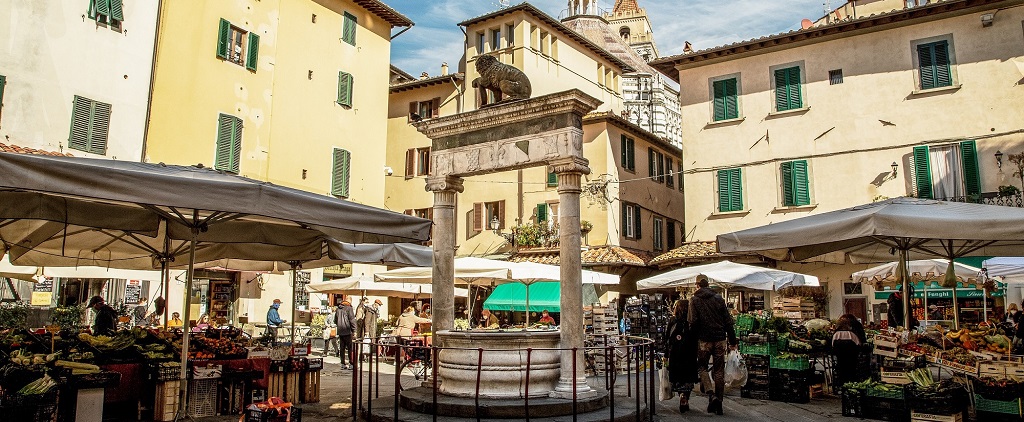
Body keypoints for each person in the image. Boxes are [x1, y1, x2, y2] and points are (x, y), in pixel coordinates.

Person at [689, 275, 737, 416]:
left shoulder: (694, 300)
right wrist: (733, 341)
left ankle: (711, 395)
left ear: (697, 285)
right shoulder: (718, 299)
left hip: (704, 340)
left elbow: (693, 322)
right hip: (720, 339)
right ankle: (719, 403)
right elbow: (728, 321)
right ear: (708, 284)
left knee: (702, 367)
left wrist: (692, 341)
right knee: (719, 370)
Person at [666, 299, 698, 413]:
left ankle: (681, 394)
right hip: (690, 354)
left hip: (676, 354)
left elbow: (668, 338)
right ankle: (685, 396)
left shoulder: (673, 320)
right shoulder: (692, 322)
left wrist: (666, 354)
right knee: (688, 378)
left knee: (678, 378)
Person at [832, 314, 867, 388]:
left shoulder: (839, 324)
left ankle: (842, 385)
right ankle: (852, 384)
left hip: (838, 344)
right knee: (852, 365)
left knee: (841, 365)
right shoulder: (856, 324)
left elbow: (832, 340)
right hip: (852, 345)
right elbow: (862, 337)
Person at [335, 300, 356, 369]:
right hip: (347, 330)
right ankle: (351, 363)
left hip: (340, 331)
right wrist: (354, 330)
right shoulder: (349, 309)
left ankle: (343, 363)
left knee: (342, 348)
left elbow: (335, 320)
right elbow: (352, 320)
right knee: (350, 348)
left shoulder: (338, 309)